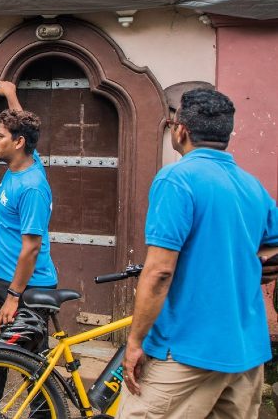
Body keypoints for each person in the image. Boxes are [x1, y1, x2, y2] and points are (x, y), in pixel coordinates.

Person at [119, 88, 278, 418]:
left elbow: (160, 271)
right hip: (246, 353)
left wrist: (135, 342)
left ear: (181, 130)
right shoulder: (251, 186)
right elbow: (272, 245)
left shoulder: (177, 179)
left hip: (185, 352)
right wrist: (258, 265)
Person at [0, 81, 58, 418]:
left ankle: (42, 415)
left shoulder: (33, 186)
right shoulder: (24, 163)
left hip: (29, 289)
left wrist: (14, 296)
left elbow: (31, 247)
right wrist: (11, 94)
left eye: (0, 136)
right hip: (4, 283)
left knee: (31, 363)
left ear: (18, 143)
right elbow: (23, 121)